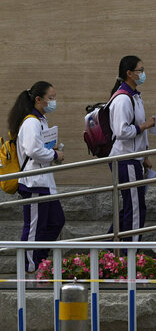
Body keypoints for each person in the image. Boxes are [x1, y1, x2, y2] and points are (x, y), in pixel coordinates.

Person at [9, 81, 65, 272]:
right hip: (34, 183)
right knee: (34, 228)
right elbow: (33, 150)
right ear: (38, 99)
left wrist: (51, 150)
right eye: (51, 98)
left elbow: (37, 147)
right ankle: (29, 267)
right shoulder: (31, 121)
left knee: (56, 221)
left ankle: (38, 259)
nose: (53, 102)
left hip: (44, 183)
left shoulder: (40, 120)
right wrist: (54, 155)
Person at [107, 56, 156, 240]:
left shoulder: (134, 96)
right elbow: (122, 130)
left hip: (133, 158)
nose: (143, 74)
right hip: (125, 159)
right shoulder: (123, 99)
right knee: (135, 209)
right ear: (129, 73)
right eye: (140, 70)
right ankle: (130, 254)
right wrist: (144, 126)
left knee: (131, 206)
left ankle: (109, 252)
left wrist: (144, 156)